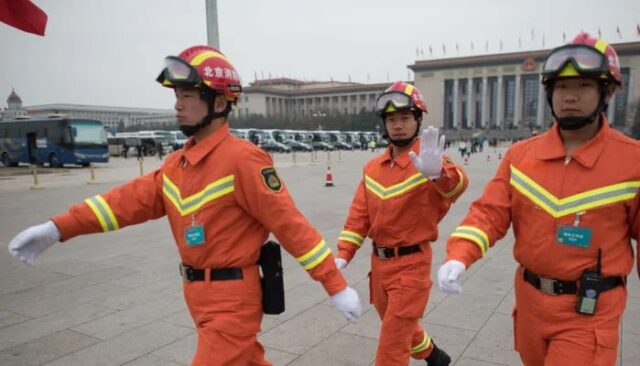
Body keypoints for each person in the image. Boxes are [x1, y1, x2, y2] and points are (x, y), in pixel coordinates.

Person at [7, 45, 362, 366]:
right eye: (177, 94)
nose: (177, 103)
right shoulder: (177, 165)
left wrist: (335, 285)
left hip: (232, 300)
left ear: (220, 103)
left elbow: (291, 225)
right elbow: (120, 204)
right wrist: (58, 227)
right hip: (197, 295)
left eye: (188, 94)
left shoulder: (243, 160)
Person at [437, 33, 639, 366]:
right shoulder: (521, 156)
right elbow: (488, 214)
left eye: (583, 87)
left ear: (608, 91)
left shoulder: (632, 162)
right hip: (530, 304)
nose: (569, 97)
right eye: (561, 87)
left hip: (588, 312)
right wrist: (459, 255)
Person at [335, 81, 468, 365]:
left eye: (405, 118)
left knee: (392, 346)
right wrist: (344, 254)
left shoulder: (429, 162)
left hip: (411, 266)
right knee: (400, 327)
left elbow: (457, 187)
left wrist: (437, 174)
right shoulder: (372, 168)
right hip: (379, 267)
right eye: (392, 119)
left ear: (418, 120)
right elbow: (359, 215)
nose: (398, 125)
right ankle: (434, 355)